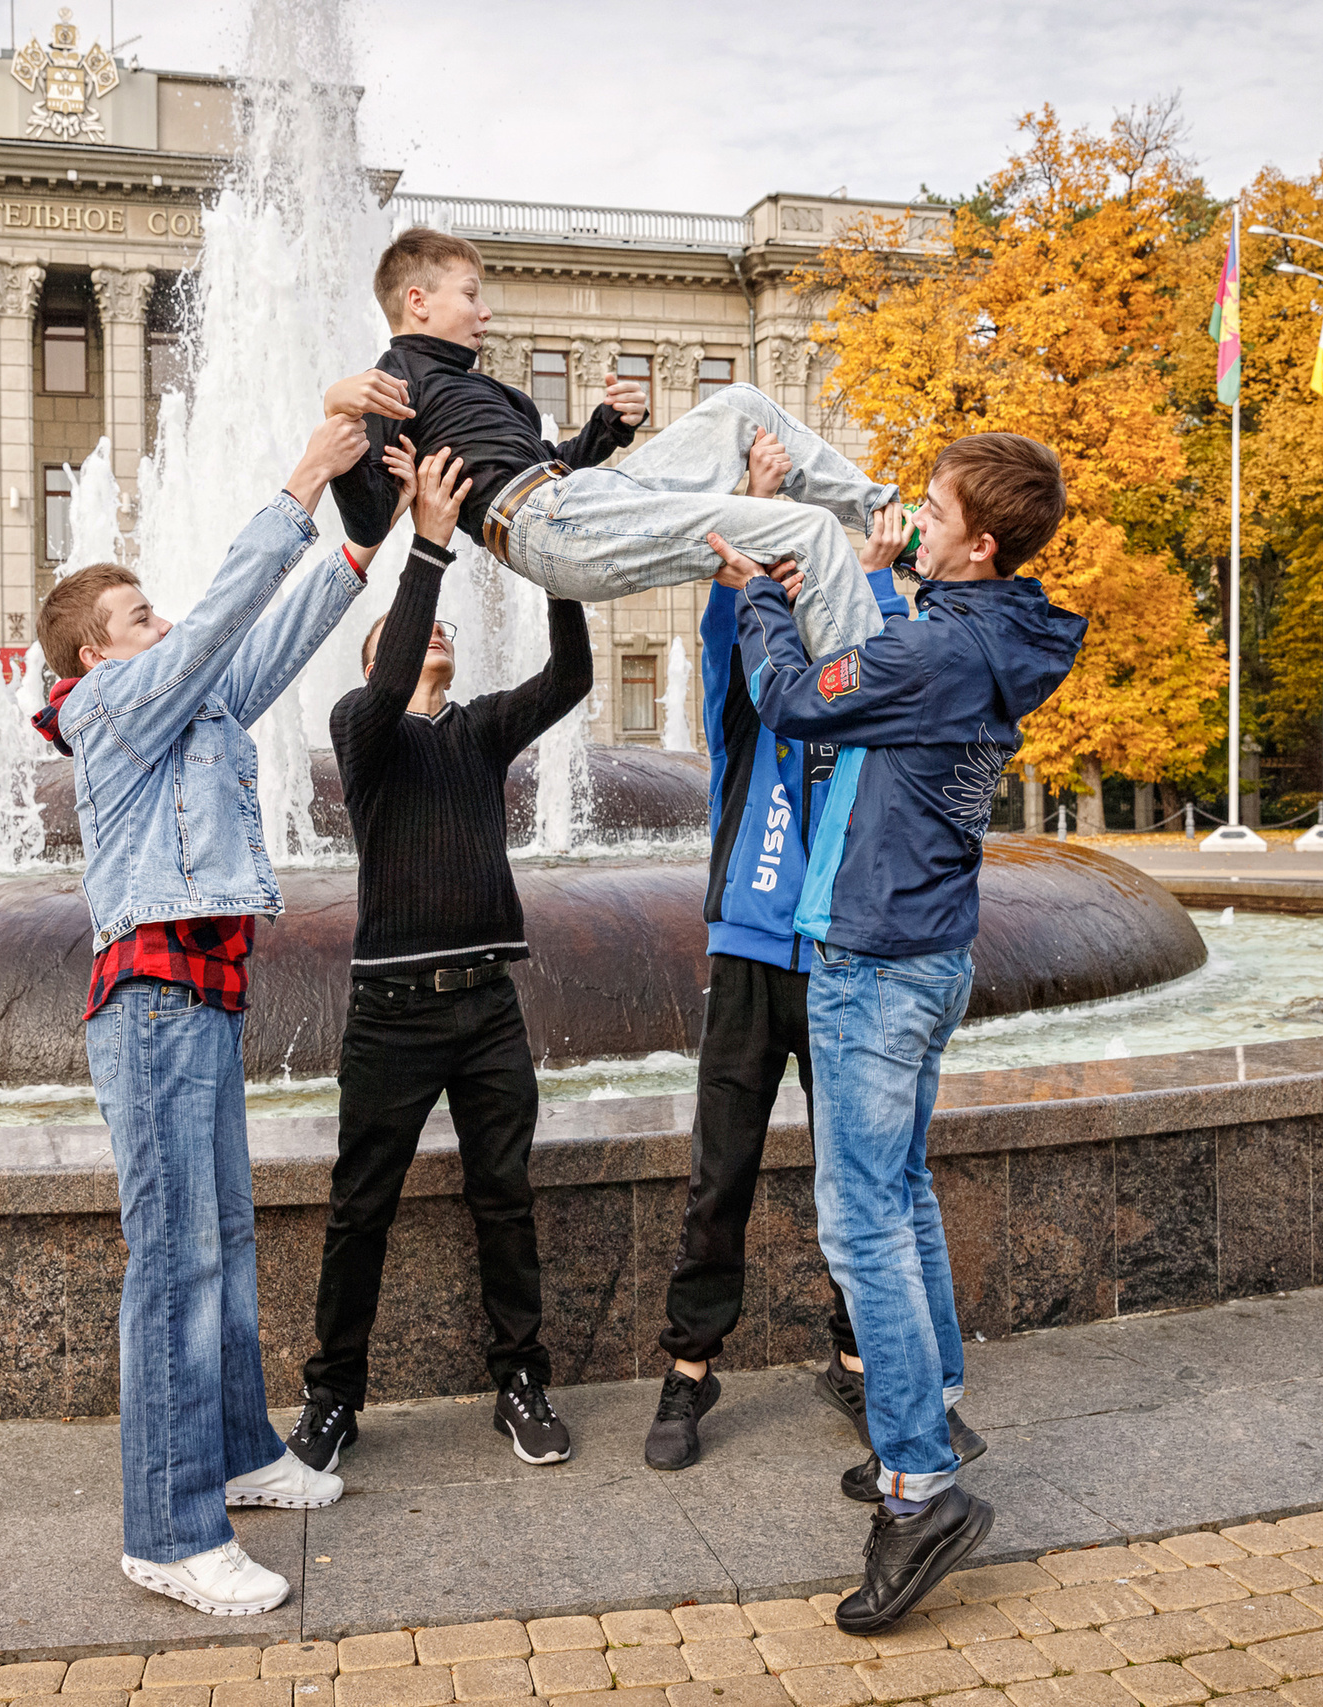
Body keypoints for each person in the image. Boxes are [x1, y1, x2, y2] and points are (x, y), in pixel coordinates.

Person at [724, 431, 1087, 1634]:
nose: (911, 519)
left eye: (931, 512)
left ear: (979, 542)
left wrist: (760, 602)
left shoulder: (939, 648)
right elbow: (878, 678)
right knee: (904, 1196)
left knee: (859, 1220)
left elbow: (790, 703)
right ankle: (929, 1416)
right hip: (926, 950)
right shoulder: (987, 638)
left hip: (875, 958)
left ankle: (919, 1486)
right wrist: (869, 588)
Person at [29, 407, 375, 1619]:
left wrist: (361, 545)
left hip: (199, 1000)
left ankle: (235, 1452)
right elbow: (226, 618)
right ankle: (170, 1533)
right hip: (153, 1002)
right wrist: (296, 484)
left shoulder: (180, 705)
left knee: (221, 1240)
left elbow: (261, 647)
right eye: (140, 620)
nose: (163, 627)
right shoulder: (106, 710)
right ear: (93, 657)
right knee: (173, 1263)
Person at [645, 431, 985, 1484]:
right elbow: (727, 626)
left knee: (865, 1182)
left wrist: (878, 583)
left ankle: (860, 1363)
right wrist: (747, 518)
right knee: (722, 1174)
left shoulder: (869, 694)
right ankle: (690, 1368)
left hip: (850, 955)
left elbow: (894, 665)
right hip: (751, 954)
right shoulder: (752, 709)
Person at [287, 444, 591, 1474]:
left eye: (442, 631)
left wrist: (561, 574)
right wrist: (424, 551)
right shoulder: (363, 734)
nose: (436, 640)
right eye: (416, 636)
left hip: (486, 1007)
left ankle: (521, 1381)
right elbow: (391, 659)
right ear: (379, 656)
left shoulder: (480, 732)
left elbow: (574, 675)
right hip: (392, 1015)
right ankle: (333, 1400)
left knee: (502, 1198)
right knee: (358, 1206)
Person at [324, 228, 898, 660]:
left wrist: (608, 425)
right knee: (810, 532)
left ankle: (881, 512)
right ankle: (870, 704)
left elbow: (557, 464)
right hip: (541, 522)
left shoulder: (494, 395)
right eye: (472, 295)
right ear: (418, 301)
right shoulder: (392, 381)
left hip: (575, 497)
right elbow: (369, 520)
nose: (486, 310)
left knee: (742, 405)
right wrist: (341, 413)